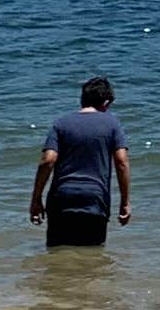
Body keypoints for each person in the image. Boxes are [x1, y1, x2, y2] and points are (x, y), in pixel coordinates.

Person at [27, 75, 130, 249]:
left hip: (62, 199)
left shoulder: (60, 124)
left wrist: (36, 199)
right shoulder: (113, 125)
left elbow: (48, 160)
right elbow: (121, 161)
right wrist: (125, 202)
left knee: (57, 254)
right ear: (105, 103)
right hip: (95, 199)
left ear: (82, 99)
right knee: (93, 257)